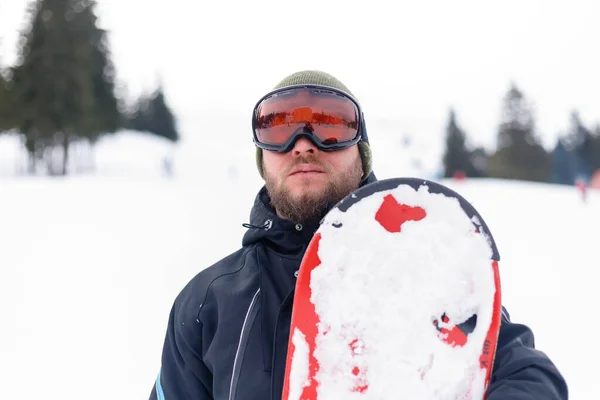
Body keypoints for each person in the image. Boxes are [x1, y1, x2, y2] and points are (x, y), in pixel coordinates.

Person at [149, 70, 568, 399]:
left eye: (330, 126)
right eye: (279, 129)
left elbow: (524, 372)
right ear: (263, 159)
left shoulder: (424, 267)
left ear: (362, 152)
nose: (303, 145)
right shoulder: (208, 304)